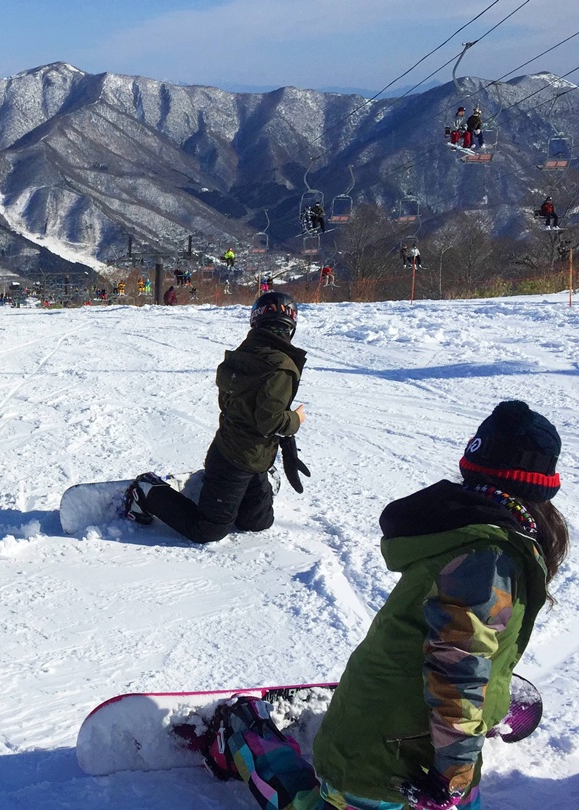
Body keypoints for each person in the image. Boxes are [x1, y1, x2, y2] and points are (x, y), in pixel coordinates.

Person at [201, 400, 567, 810]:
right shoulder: (488, 558)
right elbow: (458, 669)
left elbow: (470, 652)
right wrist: (455, 769)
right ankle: (244, 733)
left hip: (426, 749)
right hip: (383, 761)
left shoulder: (483, 533)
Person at [124, 292, 308, 544]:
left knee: (258, 522)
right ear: (291, 327)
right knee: (207, 531)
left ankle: (253, 484)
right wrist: (296, 419)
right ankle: (147, 491)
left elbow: (240, 406)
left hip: (248, 455)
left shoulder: (245, 352)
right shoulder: (281, 367)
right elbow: (270, 421)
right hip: (234, 460)